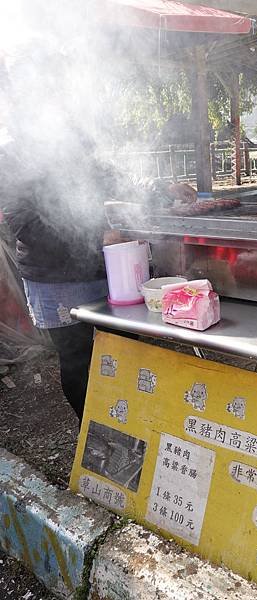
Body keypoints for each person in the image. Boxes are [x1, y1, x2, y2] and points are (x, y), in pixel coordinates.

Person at [0, 45, 128, 422]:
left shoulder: (79, 141)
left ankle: (129, 423)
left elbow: (111, 183)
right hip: (55, 278)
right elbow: (23, 225)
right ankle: (92, 433)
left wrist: (157, 189)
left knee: (124, 351)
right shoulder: (12, 157)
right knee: (78, 360)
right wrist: (95, 237)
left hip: (102, 268)